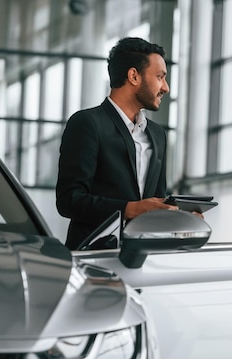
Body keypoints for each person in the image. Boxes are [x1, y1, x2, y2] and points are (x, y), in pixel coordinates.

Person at [56, 37, 177, 250]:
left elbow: (156, 201)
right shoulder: (87, 123)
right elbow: (69, 200)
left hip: (143, 257)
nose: (165, 87)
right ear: (133, 76)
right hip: (92, 256)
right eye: (160, 77)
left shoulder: (157, 134)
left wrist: (179, 214)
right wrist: (129, 209)